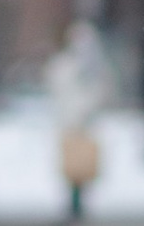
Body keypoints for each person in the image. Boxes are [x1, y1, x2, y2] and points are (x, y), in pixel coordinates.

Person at [45, 22, 115, 218]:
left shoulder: (94, 69)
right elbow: (59, 89)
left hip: (84, 124)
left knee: (83, 166)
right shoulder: (65, 66)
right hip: (71, 123)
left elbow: (101, 92)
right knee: (72, 167)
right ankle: (73, 201)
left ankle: (79, 201)